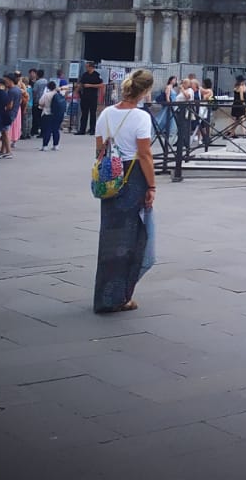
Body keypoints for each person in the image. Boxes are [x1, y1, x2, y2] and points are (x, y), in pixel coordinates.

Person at [93, 68, 157, 314]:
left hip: (110, 176)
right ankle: (121, 296)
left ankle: (104, 296)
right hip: (133, 177)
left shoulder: (106, 113)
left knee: (109, 237)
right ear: (146, 91)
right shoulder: (140, 117)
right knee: (134, 238)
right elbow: (144, 154)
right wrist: (151, 185)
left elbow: (99, 150)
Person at [77, 61, 105, 136]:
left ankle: (92, 130)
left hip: (93, 96)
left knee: (92, 114)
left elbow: (101, 85)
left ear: (91, 67)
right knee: (84, 113)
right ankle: (82, 129)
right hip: (84, 96)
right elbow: (81, 83)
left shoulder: (96, 75)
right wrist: (78, 89)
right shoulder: (85, 74)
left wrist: (90, 85)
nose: (86, 68)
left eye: (87, 67)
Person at [38, 80, 64, 149]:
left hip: (47, 113)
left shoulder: (46, 94)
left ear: (48, 87)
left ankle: (45, 146)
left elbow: (40, 103)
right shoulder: (59, 94)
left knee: (47, 130)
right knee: (56, 130)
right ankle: (56, 145)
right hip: (57, 114)